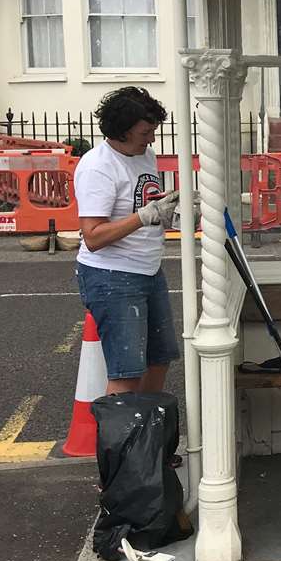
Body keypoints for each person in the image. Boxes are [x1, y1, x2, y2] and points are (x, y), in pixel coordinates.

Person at [74, 87, 181, 396]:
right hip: (111, 276)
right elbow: (93, 237)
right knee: (127, 372)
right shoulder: (98, 167)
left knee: (160, 359)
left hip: (148, 270)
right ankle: (122, 445)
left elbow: (143, 205)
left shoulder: (144, 155)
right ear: (122, 131)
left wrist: (170, 212)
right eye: (145, 132)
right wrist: (145, 216)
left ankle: (148, 440)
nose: (151, 139)